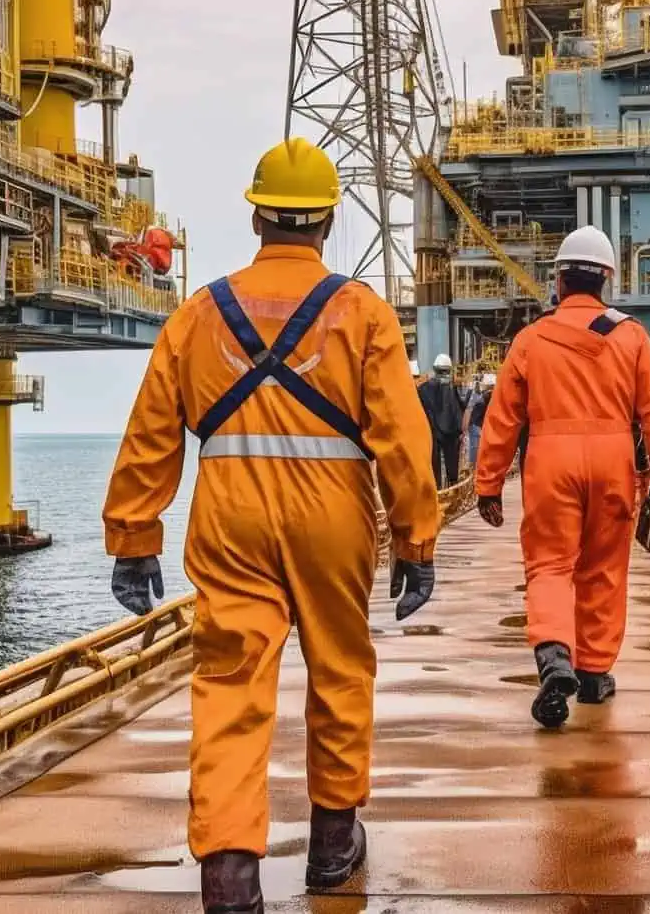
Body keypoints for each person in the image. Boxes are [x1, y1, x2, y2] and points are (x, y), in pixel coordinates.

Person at [102, 136, 442, 914]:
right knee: (340, 668)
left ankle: (229, 876)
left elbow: (151, 432)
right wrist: (415, 542)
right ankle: (333, 844)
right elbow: (403, 438)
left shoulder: (199, 313)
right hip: (333, 514)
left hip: (231, 514)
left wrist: (134, 537)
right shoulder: (361, 312)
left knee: (229, 684)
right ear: (328, 221)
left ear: (257, 218)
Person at [475, 225, 650, 729]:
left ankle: (554, 655)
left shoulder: (530, 340)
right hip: (614, 461)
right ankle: (593, 674)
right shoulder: (631, 337)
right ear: (606, 279)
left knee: (550, 566)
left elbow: (503, 419)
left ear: (559, 281)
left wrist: (489, 483)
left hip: (550, 461)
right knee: (604, 569)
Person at [417, 353, 467, 487]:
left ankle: (439, 488)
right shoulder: (454, 388)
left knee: (436, 466)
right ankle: (450, 487)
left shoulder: (423, 389)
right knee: (450, 466)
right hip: (448, 433)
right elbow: (461, 408)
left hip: (434, 431)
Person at [465, 372, 496, 470]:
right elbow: (470, 410)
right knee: (475, 449)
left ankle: (477, 468)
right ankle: (474, 469)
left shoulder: (483, 395)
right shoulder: (481, 396)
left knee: (479, 449)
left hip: (480, 424)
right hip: (476, 425)